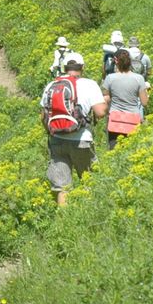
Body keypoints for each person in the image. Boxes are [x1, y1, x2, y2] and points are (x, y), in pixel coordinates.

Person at [42, 53, 107, 206]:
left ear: (64, 68)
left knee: (62, 187)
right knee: (89, 181)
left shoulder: (52, 85)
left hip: (57, 140)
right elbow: (100, 112)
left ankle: (64, 221)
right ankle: (89, 214)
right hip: (81, 139)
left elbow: (43, 116)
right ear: (82, 68)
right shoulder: (89, 84)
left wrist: (54, 131)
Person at [101, 48, 149, 150]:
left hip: (115, 120)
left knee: (114, 152)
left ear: (115, 61)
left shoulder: (110, 78)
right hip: (133, 119)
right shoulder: (139, 78)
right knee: (132, 151)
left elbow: (105, 99)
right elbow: (144, 102)